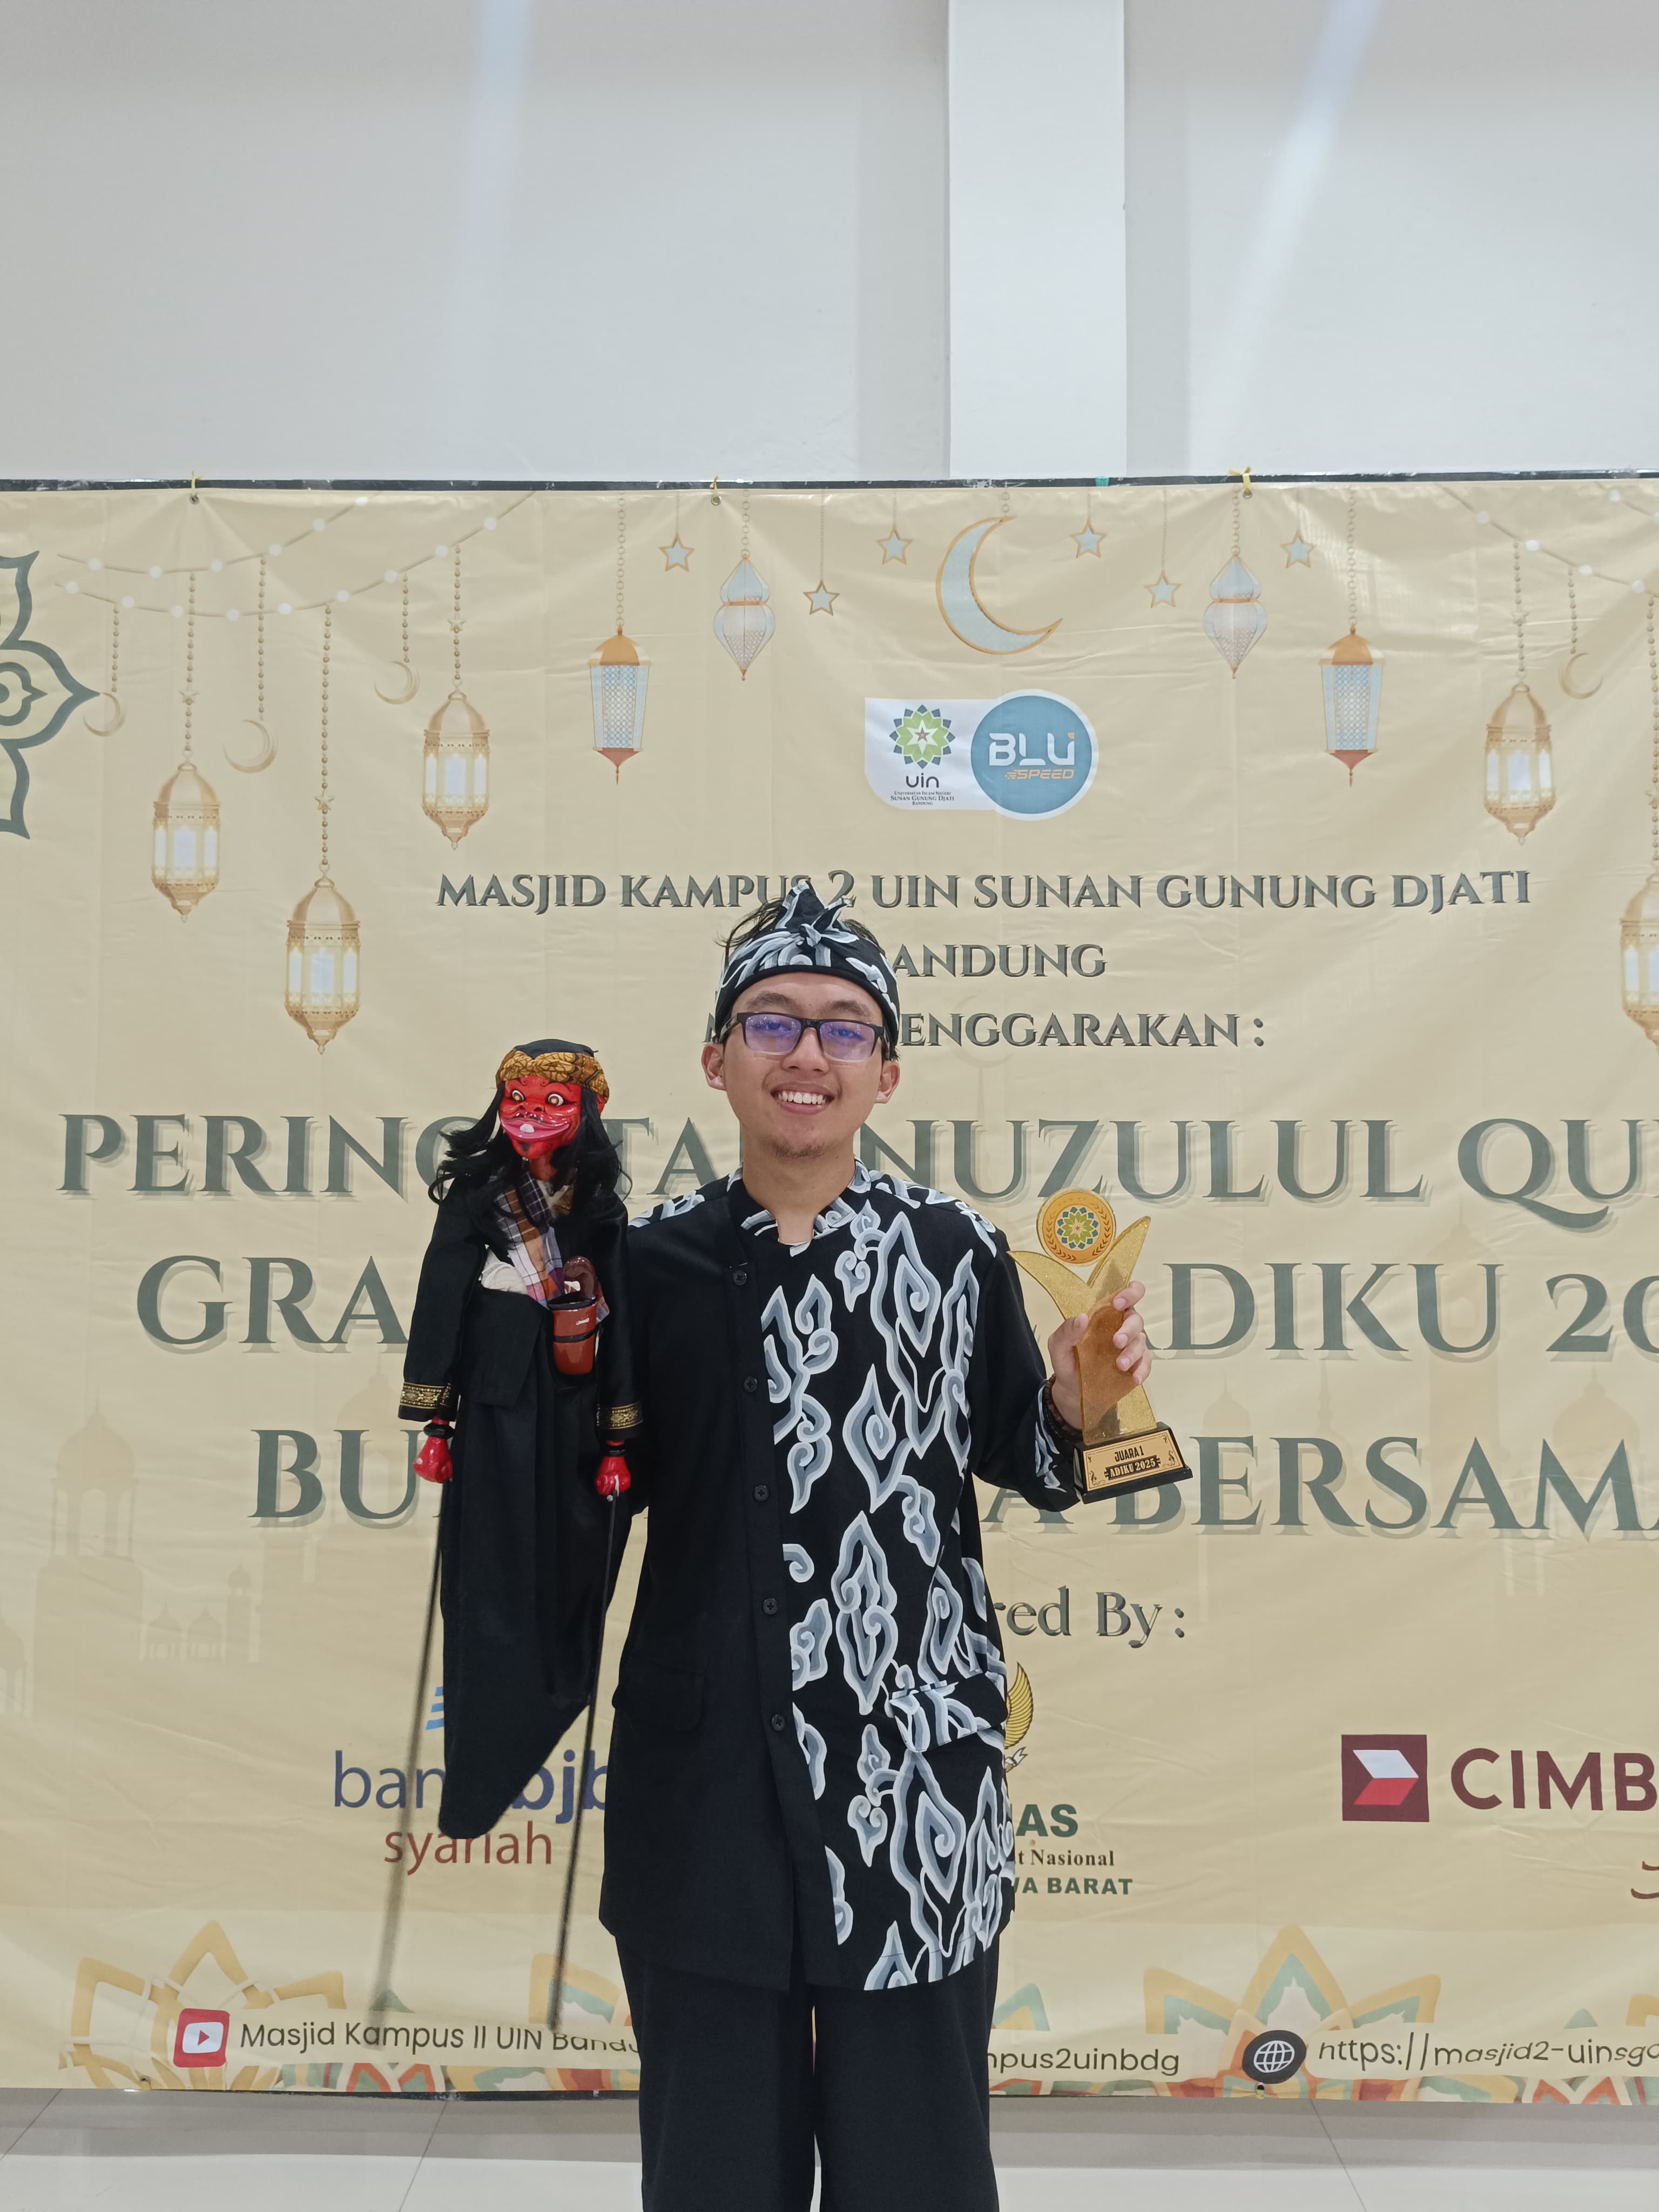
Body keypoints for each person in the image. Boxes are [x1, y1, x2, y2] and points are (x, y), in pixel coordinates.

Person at [605, 883, 1151, 2212]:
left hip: (914, 1781)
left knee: (918, 2169)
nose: (808, 1052)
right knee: (711, 2170)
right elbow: (589, 1491)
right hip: (707, 1778)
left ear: (887, 1070)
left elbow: (1038, 1458)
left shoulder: (953, 1249)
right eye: (774, 1021)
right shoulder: (648, 1263)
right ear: (717, 1057)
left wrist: (1083, 1397)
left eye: (845, 1027)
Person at [398, 1040, 638, 1840]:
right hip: (497, 1397)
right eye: (518, 1098)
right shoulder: (478, 1193)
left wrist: (618, 1439)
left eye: (553, 1101)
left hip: (574, 1403)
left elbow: (624, 1319)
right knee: (488, 1572)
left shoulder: (598, 1205)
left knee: (568, 1558)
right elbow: (442, 1296)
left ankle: (550, 1692)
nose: (532, 1112)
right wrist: (437, 1419)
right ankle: (481, 1755)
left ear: (586, 1112)